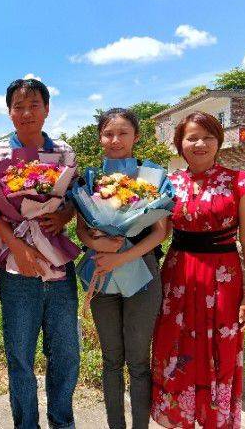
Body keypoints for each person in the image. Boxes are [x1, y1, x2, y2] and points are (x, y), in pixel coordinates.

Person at [0, 78, 79, 429]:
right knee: (20, 355)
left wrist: (65, 213)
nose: (26, 112)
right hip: (14, 268)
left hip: (58, 265)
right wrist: (17, 248)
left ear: (47, 109)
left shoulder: (65, 152)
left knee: (65, 353)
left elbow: (73, 199)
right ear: (9, 112)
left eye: (34, 105)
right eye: (18, 106)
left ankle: (62, 422)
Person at [151, 111, 245, 428]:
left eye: (208, 137)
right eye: (191, 137)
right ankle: (180, 419)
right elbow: (160, 233)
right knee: (175, 347)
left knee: (219, 352)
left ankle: (215, 420)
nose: (200, 143)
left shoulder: (239, 181)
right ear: (179, 143)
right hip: (177, 277)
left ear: (219, 141)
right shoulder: (168, 185)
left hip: (223, 280)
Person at [75, 108, 166, 429]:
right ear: (100, 137)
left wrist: (120, 256)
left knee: (139, 362)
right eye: (109, 133)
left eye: (123, 133)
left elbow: (159, 232)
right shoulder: (89, 179)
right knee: (111, 360)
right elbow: (82, 230)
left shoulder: (152, 177)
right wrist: (101, 246)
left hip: (143, 274)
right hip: (102, 274)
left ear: (136, 136)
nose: (115, 140)